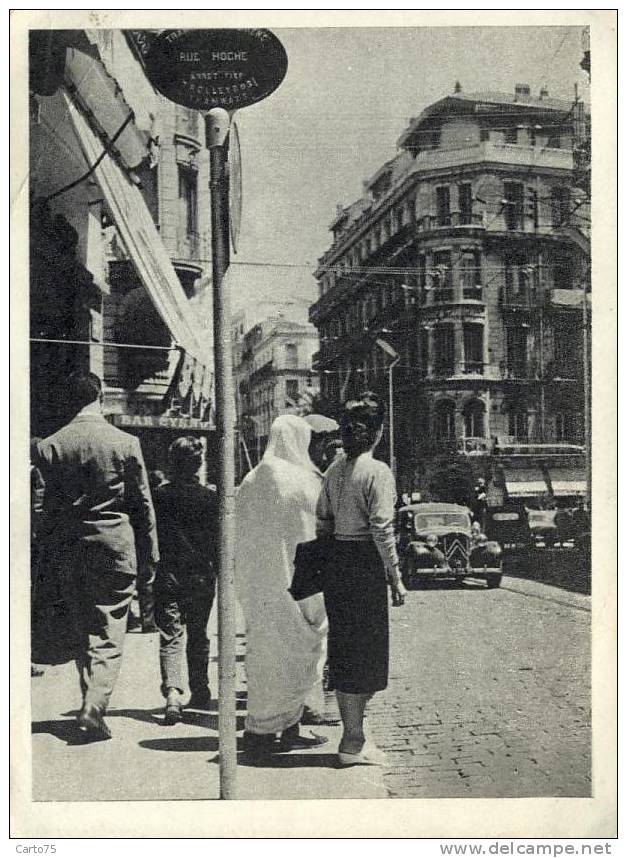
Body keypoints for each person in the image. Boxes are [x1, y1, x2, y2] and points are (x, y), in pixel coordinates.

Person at [36, 371, 159, 741]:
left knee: (80, 626)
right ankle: (94, 706)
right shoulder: (125, 442)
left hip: (70, 548)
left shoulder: (51, 446)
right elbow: (142, 503)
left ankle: (90, 701)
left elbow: (45, 510)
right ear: (100, 395)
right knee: (108, 629)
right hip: (115, 547)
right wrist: (149, 550)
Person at [316, 392, 406, 767]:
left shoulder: (334, 469)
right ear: (378, 431)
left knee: (344, 651)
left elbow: (322, 519)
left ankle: (352, 735)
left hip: (338, 561)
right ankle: (353, 741)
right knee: (365, 656)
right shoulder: (377, 472)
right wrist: (396, 578)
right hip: (364, 564)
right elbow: (383, 529)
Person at [235, 414, 329, 756]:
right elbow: (310, 538)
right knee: (298, 656)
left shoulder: (249, 480)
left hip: (260, 589)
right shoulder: (304, 482)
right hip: (294, 585)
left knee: (263, 659)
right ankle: (274, 731)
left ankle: (267, 729)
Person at [152, 438, 218, 724]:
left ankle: (173, 695)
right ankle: (200, 690)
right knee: (198, 633)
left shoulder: (159, 496)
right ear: (199, 463)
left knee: (170, 634)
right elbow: (218, 540)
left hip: (168, 573)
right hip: (201, 575)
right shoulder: (210, 498)